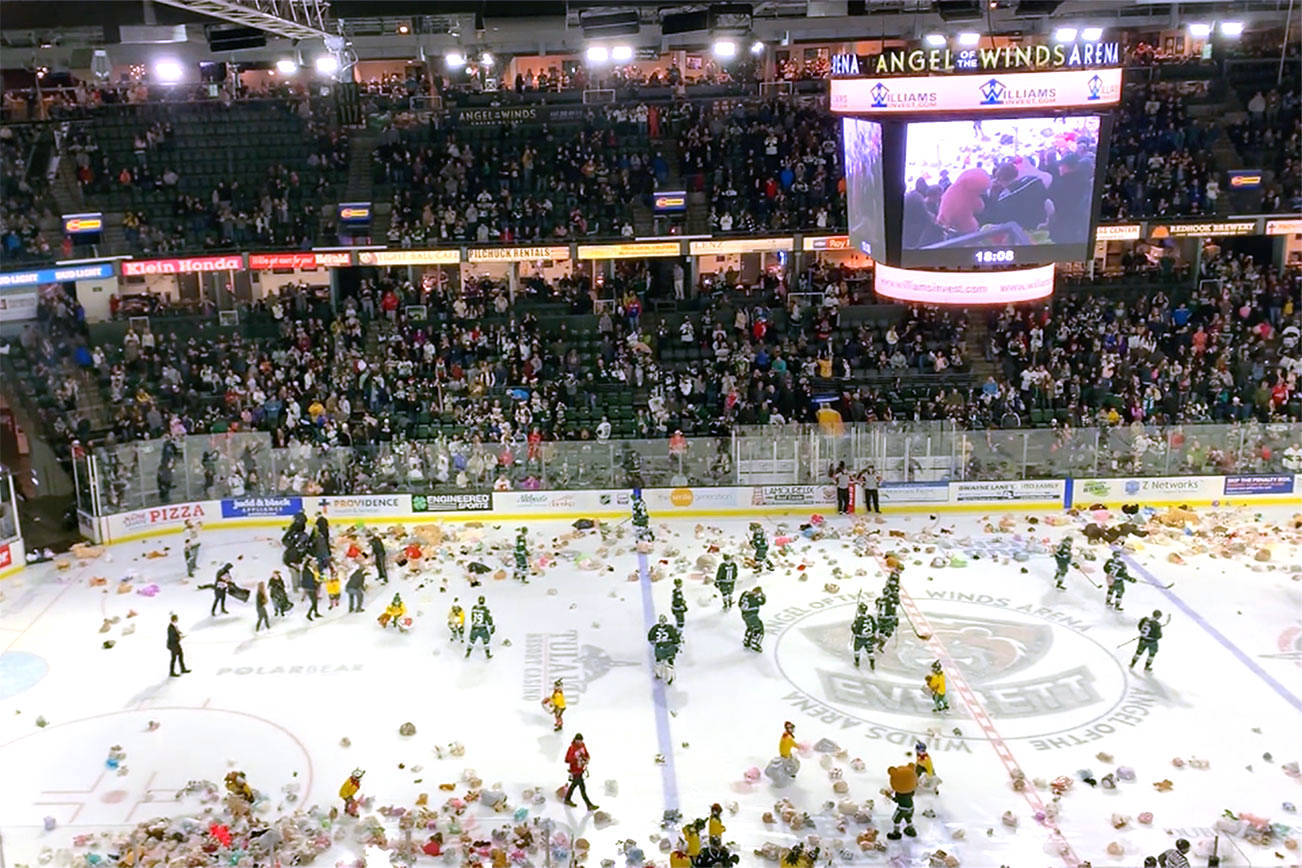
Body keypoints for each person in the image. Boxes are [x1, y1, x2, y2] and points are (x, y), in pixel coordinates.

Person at [562, 733, 599, 810]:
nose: (579, 742)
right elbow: (567, 760)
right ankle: (589, 805)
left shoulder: (583, 746)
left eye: (580, 741)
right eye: (577, 740)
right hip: (575, 771)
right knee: (582, 787)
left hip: (581, 769)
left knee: (574, 785)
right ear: (575, 740)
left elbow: (586, 754)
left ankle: (567, 799)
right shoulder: (571, 748)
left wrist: (586, 759)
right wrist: (575, 758)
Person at [648, 614, 682, 683]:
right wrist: (677, 644)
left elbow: (651, 637)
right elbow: (675, 638)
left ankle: (659, 673)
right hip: (668, 648)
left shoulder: (655, 628)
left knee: (659, 661)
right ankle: (669, 676)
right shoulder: (670, 628)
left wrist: (654, 642)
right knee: (669, 661)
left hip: (660, 648)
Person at [739, 585, 766, 652]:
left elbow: (739, 604)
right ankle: (755, 644)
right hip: (752, 615)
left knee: (750, 627)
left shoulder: (745, 593)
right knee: (758, 628)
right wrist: (763, 596)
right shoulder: (756, 596)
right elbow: (762, 602)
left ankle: (746, 641)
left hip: (744, 614)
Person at [851, 601, 876, 670]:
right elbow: (875, 626)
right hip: (869, 637)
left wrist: (853, 627)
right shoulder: (870, 617)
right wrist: (872, 634)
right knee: (870, 651)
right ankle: (872, 663)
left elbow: (855, 630)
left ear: (859, 610)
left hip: (860, 639)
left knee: (856, 650)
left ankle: (857, 662)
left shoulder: (859, 620)